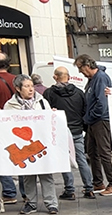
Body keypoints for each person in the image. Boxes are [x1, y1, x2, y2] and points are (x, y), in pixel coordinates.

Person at [3, 75, 58, 215]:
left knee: (46, 173)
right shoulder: (10, 106)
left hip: (40, 143)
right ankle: (31, 203)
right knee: (28, 175)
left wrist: (52, 115)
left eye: (31, 86)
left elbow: (48, 119)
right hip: (22, 145)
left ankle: (51, 203)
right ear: (18, 89)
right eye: (26, 86)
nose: (31, 89)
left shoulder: (41, 101)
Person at [43, 66, 96, 200]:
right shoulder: (79, 93)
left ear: (55, 77)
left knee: (64, 161)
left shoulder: (49, 93)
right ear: (69, 77)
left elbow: (46, 113)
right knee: (81, 159)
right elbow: (85, 111)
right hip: (77, 130)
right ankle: (89, 188)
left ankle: (70, 190)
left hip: (60, 131)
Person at [74, 54, 112, 196]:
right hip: (93, 120)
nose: (80, 72)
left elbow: (101, 104)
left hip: (101, 120)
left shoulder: (100, 78)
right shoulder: (92, 80)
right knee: (92, 151)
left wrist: (88, 117)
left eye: (80, 68)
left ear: (87, 65)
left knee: (104, 151)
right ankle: (98, 182)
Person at [0, 52, 21, 206]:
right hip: (16, 125)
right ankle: (25, 193)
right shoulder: (16, 80)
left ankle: (9, 192)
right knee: (20, 157)